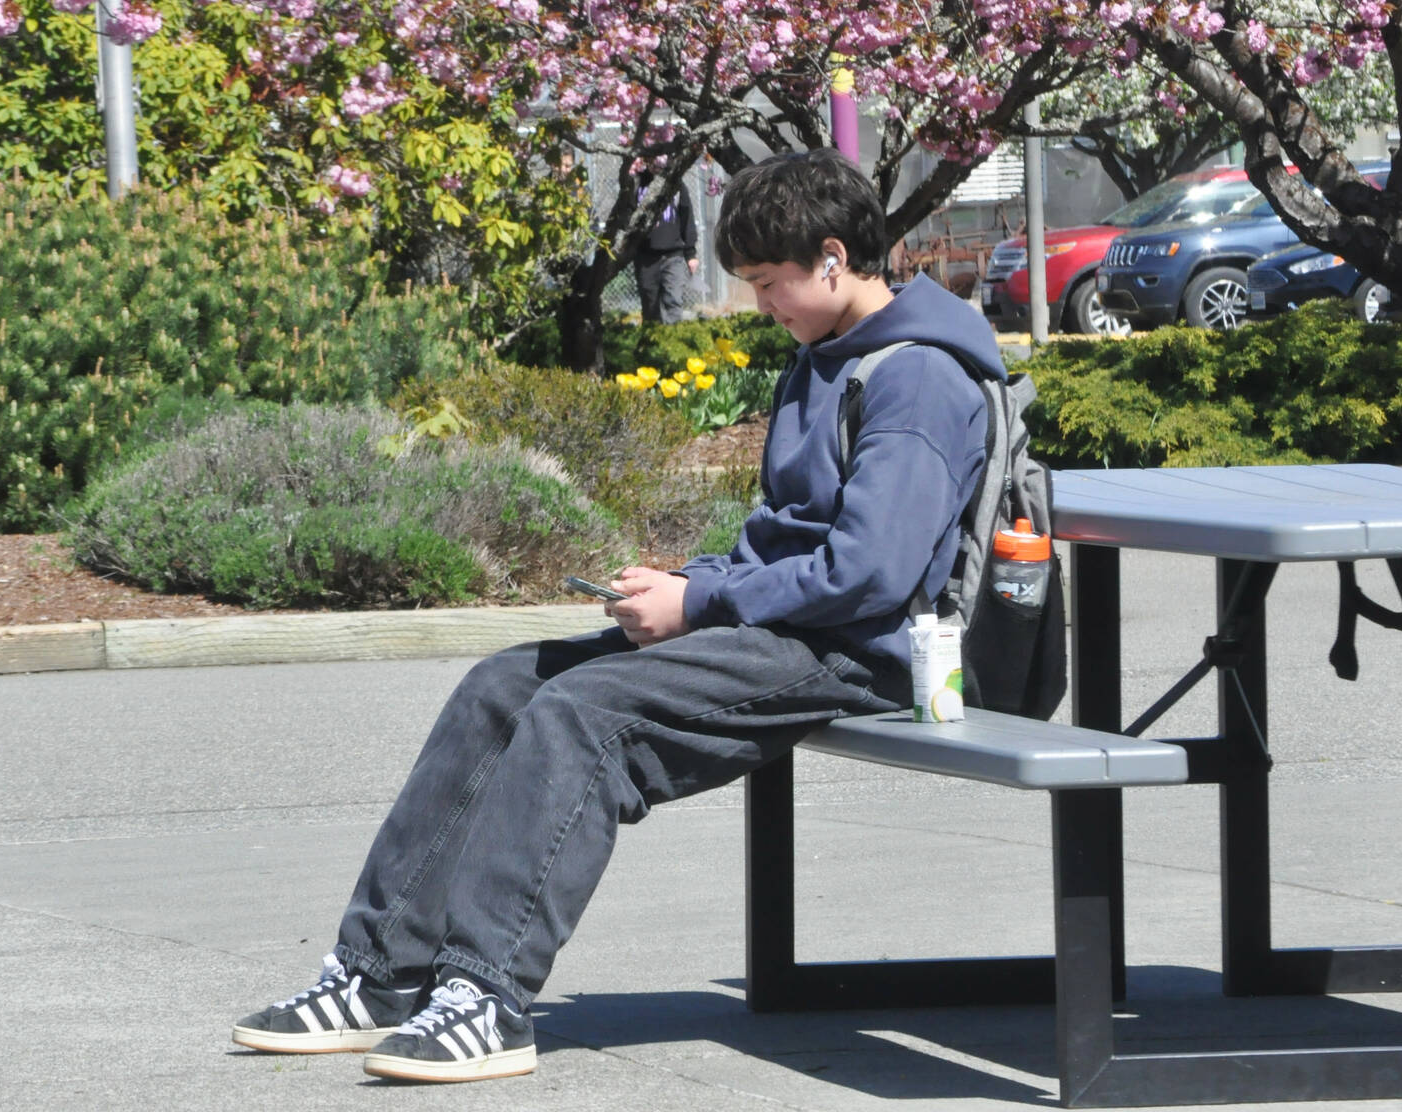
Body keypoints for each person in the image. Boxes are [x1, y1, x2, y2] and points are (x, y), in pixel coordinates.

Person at [230, 148, 1006, 1084]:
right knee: (504, 685)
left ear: (835, 257)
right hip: (782, 630)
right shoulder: (826, 355)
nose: (763, 304)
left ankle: (486, 997)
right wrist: (683, 585)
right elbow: (792, 542)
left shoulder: (918, 377)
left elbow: (870, 574)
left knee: (582, 714)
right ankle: (376, 975)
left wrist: (703, 601)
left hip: (859, 655)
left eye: (770, 283)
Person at [633, 175, 699, 324]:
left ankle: (673, 340)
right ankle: (653, 342)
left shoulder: (676, 184)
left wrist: (690, 253)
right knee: (650, 305)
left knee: (673, 301)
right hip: (646, 257)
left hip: (672, 255)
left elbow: (686, 217)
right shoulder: (637, 184)